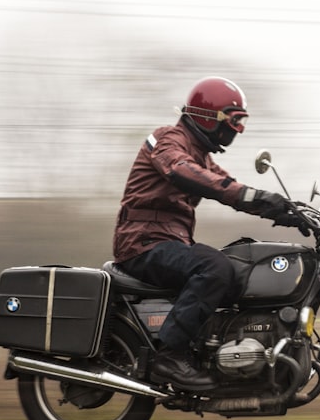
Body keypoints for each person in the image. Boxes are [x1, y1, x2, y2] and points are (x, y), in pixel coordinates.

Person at [112, 76, 298, 391]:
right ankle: (170, 356)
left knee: (239, 271)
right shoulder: (166, 140)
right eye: (234, 120)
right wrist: (258, 199)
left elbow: (233, 188)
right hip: (143, 244)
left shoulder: (203, 156)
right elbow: (185, 172)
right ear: (209, 116)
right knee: (215, 267)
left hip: (168, 244)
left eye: (241, 121)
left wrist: (289, 211)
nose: (237, 129)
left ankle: (219, 353)